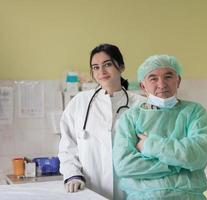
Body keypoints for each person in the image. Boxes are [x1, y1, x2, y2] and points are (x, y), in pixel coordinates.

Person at [113, 55, 207, 200]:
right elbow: (124, 165)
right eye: (153, 78)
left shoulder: (195, 112)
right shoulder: (131, 118)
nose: (162, 84)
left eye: (168, 76)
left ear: (178, 81)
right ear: (143, 85)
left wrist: (149, 145)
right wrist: (177, 164)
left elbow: (198, 156)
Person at [58, 43, 146, 200]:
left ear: (121, 67)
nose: (101, 72)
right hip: (90, 190)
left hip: (131, 190)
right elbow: (67, 146)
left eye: (108, 64)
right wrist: (72, 175)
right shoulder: (80, 103)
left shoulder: (140, 105)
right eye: (96, 67)